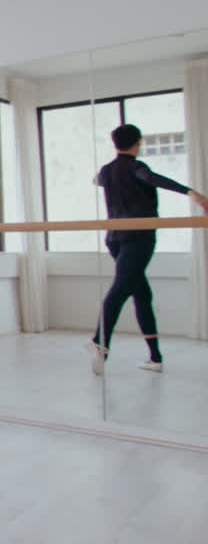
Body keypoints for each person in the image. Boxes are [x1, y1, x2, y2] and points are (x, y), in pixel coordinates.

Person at [87, 123, 208, 374]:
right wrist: (191, 193)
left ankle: (155, 358)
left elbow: (97, 180)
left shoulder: (107, 170)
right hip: (137, 239)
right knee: (121, 288)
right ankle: (99, 342)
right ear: (138, 142)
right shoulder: (136, 167)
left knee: (141, 294)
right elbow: (150, 178)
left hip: (115, 239)